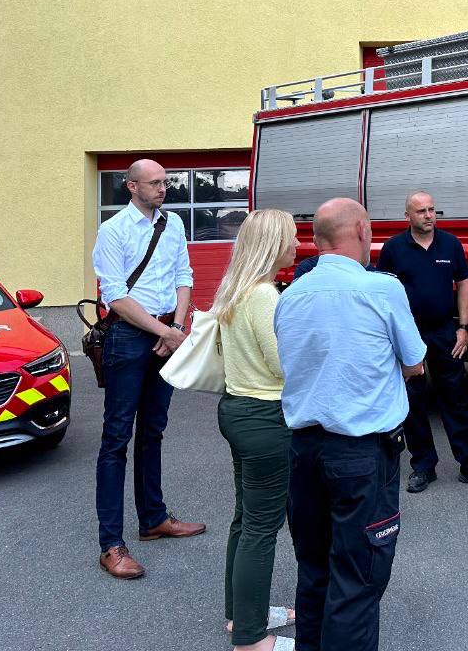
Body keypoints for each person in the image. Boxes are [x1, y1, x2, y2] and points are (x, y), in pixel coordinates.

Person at [274, 198, 426, 651]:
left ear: (317, 240)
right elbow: (415, 362)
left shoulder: (290, 296)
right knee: (357, 580)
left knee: (315, 569)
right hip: (361, 456)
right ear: (362, 231)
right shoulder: (381, 290)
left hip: (303, 452)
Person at [92, 159, 205, 580]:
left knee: (153, 430)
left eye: (165, 182)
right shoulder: (113, 230)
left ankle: (154, 519)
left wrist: (176, 326)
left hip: (165, 332)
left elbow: (184, 274)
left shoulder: (171, 223)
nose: (163, 188)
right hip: (128, 336)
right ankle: (111, 544)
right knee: (116, 437)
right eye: (154, 183)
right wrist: (165, 331)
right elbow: (115, 296)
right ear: (131, 186)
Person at [213, 209, 300, 651]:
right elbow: (283, 365)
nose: (297, 245)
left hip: (238, 409)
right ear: (272, 244)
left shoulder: (235, 289)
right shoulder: (265, 297)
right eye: (290, 237)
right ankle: (251, 639)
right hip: (267, 418)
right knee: (261, 530)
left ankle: (241, 615)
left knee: (245, 520)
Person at [378, 192, 468, 494]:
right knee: (414, 402)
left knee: (456, 399)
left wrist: (463, 327)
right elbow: (386, 296)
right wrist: (393, 335)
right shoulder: (393, 249)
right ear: (408, 216)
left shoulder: (450, 245)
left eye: (432, 210)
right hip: (409, 335)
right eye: (421, 211)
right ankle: (423, 466)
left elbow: (464, 284)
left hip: (445, 332)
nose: (429, 215)